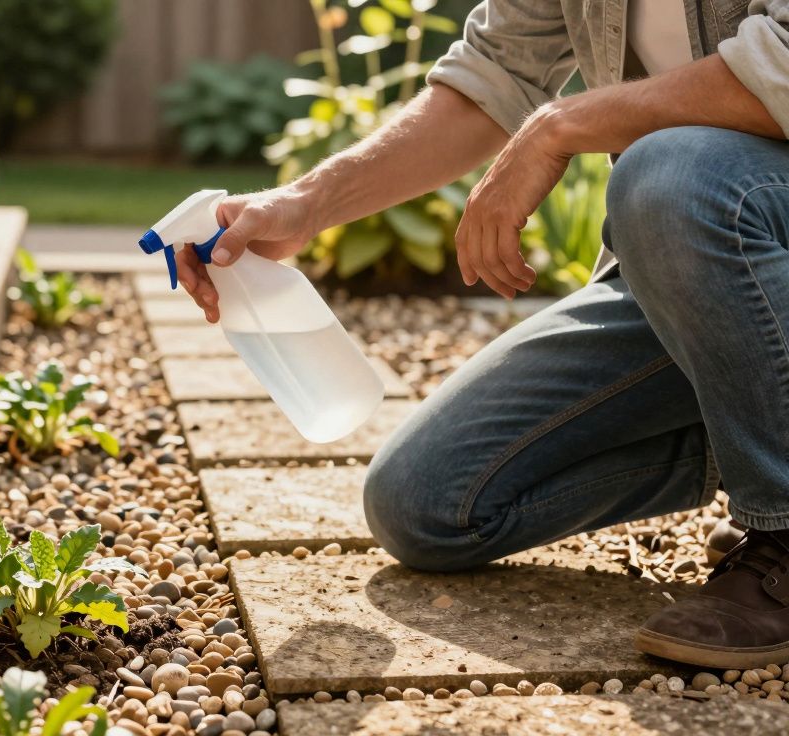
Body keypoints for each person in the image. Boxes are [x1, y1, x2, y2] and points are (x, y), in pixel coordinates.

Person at [177, 0, 789, 669]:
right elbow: (494, 73)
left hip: (731, 214)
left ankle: (781, 527)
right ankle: (754, 424)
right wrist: (307, 203)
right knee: (428, 502)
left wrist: (560, 124)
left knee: (671, 176)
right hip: (708, 279)